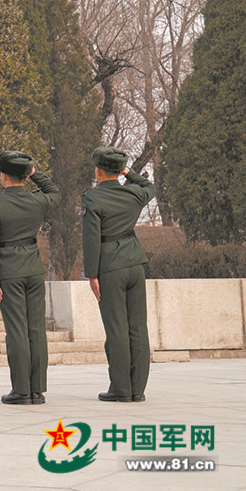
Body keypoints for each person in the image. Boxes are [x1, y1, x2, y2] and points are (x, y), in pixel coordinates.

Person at [0, 152, 61, 405]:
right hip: (33, 268)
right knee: (36, 329)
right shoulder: (38, 201)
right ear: (26, 176)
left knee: (16, 330)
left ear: (3, 176)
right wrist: (34, 173)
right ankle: (37, 389)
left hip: (9, 270)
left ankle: (21, 390)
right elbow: (54, 192)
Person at [82, 147, 154, 402]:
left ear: (98, 170)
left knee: (116, 329)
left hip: (110, 266)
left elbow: (91, 241)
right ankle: (138, 389)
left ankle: (121, 389)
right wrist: (128, 172)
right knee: (138, 327)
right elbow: (149, 186)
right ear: (118, 170)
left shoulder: (92, 199)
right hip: (135, 262)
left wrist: (91, 274)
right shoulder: (134, 193)